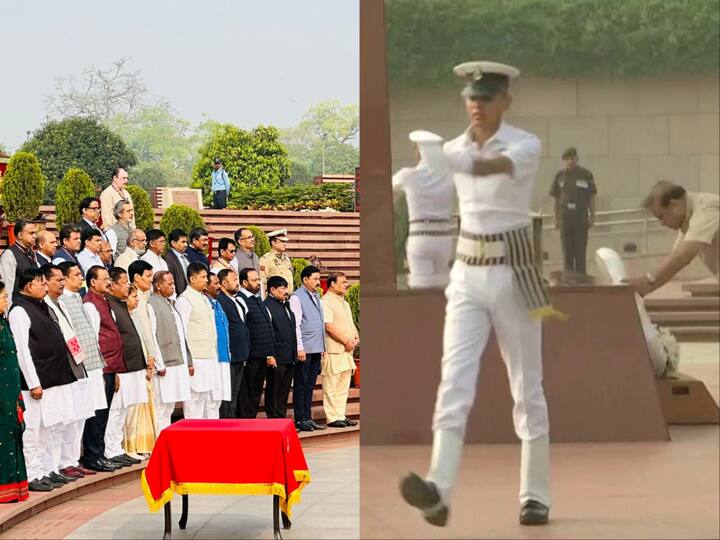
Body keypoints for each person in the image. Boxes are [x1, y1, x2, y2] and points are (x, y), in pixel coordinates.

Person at [400, 61, 556, 527]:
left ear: (505, 102)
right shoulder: (449, 149)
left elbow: (493, 166)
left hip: (513, 272)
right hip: (466, 274)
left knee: (526, 387)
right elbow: (433, 185)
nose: (476, 105)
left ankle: (535, 494)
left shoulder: (524, 144)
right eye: (471, 97)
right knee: (454, 382)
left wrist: (450, 160)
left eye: (486, 98)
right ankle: (438, 490)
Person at [9, 268, 76, 491]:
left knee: (49, 428)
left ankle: (47, 470)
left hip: (52, 377)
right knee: (33, 431)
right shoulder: (19, 310)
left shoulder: (41, 305)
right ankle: (32, 474)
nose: (45, 288)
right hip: (35, 384)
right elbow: (22, 350)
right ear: (29, 286)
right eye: (42, 284)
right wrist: (34, 382)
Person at [42, 265, 95, 481]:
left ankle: (71, 461)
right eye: (58, 280)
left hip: (77, 364)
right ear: (45, 282)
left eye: (64, 279)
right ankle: (60, 464)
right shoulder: (45, 305)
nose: (62, 283)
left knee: (78, 416)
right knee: (63, 420)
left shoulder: (62, 302)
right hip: (62, 369)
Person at [626, 182, 719, 296]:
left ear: (673, 205)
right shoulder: (687, 218)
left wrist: (649, 281)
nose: (661, 223)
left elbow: (684, 255)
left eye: (661, 217)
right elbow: (676, 256)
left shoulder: (706, 209)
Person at [58, 261, 107, 476]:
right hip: (79, 365)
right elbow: (69, 335)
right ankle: (68, 460)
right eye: (76, 275)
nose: (80, 278)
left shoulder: (78, 299)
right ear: (67, 279)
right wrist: (79, 362)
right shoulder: (62, 302)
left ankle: (76, 459)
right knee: (75, 416)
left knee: (87, 412)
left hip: (92, 364)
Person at [392, 130, 454, 288]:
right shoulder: (448, 176)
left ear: (420, 151)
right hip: (444, 238)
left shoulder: (408, 175)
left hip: (420, 237)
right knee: (442, 288)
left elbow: (389, 195)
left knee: (421, 289)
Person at [81, 266, 128, 472]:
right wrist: (100, 370)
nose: (109, 282)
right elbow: (93, 339)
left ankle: (100, 454)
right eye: (105, 279)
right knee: (97, 414)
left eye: (110, 279)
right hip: (101, 367)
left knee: (106, 412)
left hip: (111, 366)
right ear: (92, 282)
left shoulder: (105, 301)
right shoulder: (91, 304)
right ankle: (93, 455)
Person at [103, 267, 146, 466]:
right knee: (116, 410)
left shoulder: (120, 304)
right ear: (112, 284)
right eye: (124, 282)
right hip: (121, 367)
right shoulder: (109, 305)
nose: (127, 286)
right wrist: (116, 370)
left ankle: (117, 448)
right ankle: (111, 450)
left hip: (134, 365)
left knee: (125, 409)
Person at [147, 271, 193, 432]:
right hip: (164, 365)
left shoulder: (169, 303)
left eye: (173, 283)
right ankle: (158, 442)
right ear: (158, 286)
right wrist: (159, 364)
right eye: (169, 283)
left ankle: (164, 440)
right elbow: (152, 335)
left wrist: (188, 360)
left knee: (169, 407)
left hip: (177, 362)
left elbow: (181, 334)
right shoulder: (151, 304)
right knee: (161, 406)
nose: (173, 286)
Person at [176, 263, 220, 419]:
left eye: (206, 277)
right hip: (195, 356)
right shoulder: (184, 300)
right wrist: (188, 360)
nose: (206, 281)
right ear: (191, 278)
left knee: (205, 397)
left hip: (208, 354)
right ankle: (193, 436)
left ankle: (205, 435)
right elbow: (181, 332)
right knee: (194, 399)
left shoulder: (204, 298)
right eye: (202, 277)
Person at [0, 280, 29, 502]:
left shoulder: (3, 323)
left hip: (11, 391)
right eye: (3, 298)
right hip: (1, 393)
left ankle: (15, 487)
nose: (6, 302)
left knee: (13, 434)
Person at [549, 147, 597, 280]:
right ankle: (569, 281)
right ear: (565, 160)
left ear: (576, 158)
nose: (570, 161)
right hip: (566, 218)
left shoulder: (586, 175)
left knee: (580, 250)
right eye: (567, 159)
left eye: (572, 158)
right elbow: (556, 199)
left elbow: (591, 196)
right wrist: (556, 218)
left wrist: (592, 215)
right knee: (567, 251)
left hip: (580, 217)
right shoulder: (560, 176)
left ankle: (581, 281)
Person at [288, 265, 326, 432]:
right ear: (305, 280)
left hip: (316, 347)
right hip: (305, 349)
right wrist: (300, 347)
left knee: (310, 384)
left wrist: (322, 345)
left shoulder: (316, 295)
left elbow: (319, 321)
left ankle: (307, 417)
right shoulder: (297, 297)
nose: (318, 282)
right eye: (315, 279)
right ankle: (300, 418)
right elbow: (296, 324)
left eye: (319, 279)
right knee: (301, 384)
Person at [320, 272, 359, 428]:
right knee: (331, 385)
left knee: (343, 386)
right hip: (334, 349)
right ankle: (332, 417)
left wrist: (356, 338)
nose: (346, 285)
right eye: (343, 282)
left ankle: (340, 415)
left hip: (346, 351)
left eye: (346, 282)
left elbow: (350, 324)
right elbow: (328, 326)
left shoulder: (345, 303)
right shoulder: (325, 302)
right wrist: (345, 341)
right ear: (332, 284)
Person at [237, 268, 275, 418]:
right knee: (247, 392)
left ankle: (251, 422)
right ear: (244, 282)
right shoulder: (241, 299)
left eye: (258, 279)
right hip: (251, 355)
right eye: (254, 280)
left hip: (262, 354)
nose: (258, 283)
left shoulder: (257, 298)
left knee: (256, 391)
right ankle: (245, 423)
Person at [123, 285, 156, 458]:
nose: (136, 299)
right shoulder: (121, 317)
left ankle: (141, 445)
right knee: (131, 410)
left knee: (142, 407)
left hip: (143, 365)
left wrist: (150, 359)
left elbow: (145, 338)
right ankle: (129, 447)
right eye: (133, 296)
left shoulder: (135, 315)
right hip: (130, 368)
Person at [215, 269, 250, 419]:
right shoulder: (221, 301)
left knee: (235, 392)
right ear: (223, 283)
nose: (237, 283)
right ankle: (226, 423)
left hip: (240, 354)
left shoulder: (236, 299)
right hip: (229, 354)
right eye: (234, 280)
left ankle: (232, 422)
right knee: (227, 394)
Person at [263, 276, 297, 419]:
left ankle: (281, 418)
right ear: (272, 289)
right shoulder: (266, 306)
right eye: (282, 288)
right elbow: (268, 332)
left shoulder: (285, 304)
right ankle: (273, 419)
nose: (285, 291)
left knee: (283, 391)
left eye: (285, 287)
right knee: (273, 390)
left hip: (289, 356)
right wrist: (270, 355)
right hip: (277, 356)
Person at [205, 273, 232, 413]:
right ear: (206, 285)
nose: (219, 287)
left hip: (224, 355)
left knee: (218, 400)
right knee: (211, 399)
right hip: (213, 356)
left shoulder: (218, 303)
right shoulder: (205, 303)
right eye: (215, 284)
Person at [0, 220, 39, 300]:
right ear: (20, 235)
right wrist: (9, 310)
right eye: (31, 233)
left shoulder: (32, 253)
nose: (35, 236)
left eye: (35, 233)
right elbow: (8, 286)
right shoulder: (9, 254)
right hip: (18, 304)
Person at [259, 229, 294, 297]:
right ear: (273, 243)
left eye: (285, 242)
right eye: (282, 241)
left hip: (288, 297)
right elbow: (262, 282)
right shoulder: (266, 259)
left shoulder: (286, 258)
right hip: (274, 298)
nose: (285, 244)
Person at [163, 229, 190, 295]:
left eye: (186, 242)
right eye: (183, 242)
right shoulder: (168, 258)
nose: (186, 245)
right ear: (173, 243)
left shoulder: (186, 257)